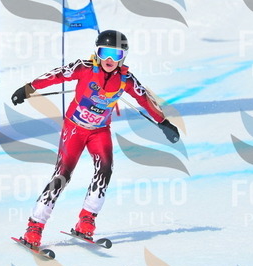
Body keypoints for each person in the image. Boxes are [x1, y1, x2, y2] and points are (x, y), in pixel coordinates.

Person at [11, 30, 180, 248]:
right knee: (62, 175)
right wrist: (28, 88)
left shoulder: (126, 79)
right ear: (96, 53)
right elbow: (57, 75)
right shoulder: (84, 68)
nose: (109, 59)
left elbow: (145, 99)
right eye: (104, 52)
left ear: (123, 57)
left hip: (99, 131)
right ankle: (34, 227)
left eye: (116, 54)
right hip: (75, 129)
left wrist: (163, 122)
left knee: (105, 170)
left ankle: (86, 220)